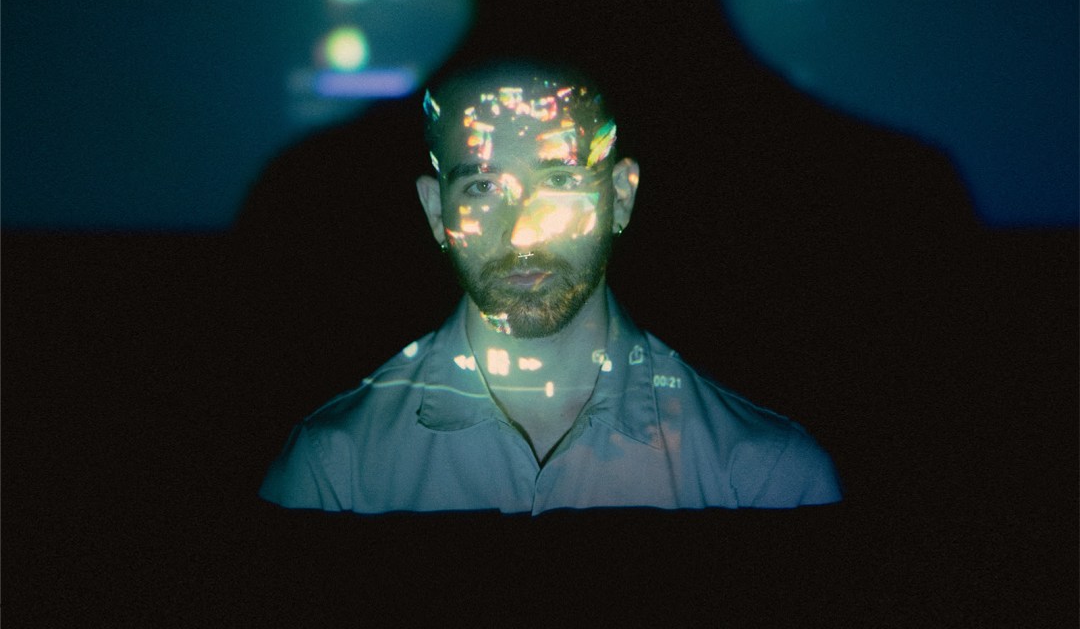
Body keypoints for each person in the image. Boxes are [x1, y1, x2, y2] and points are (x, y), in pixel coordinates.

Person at [259, 60, 842, 513]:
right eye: (483, 187)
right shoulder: (330, 473)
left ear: (621, 196)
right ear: (437, 211)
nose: (523, 231)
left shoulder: (767, 478)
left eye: (560, 180)